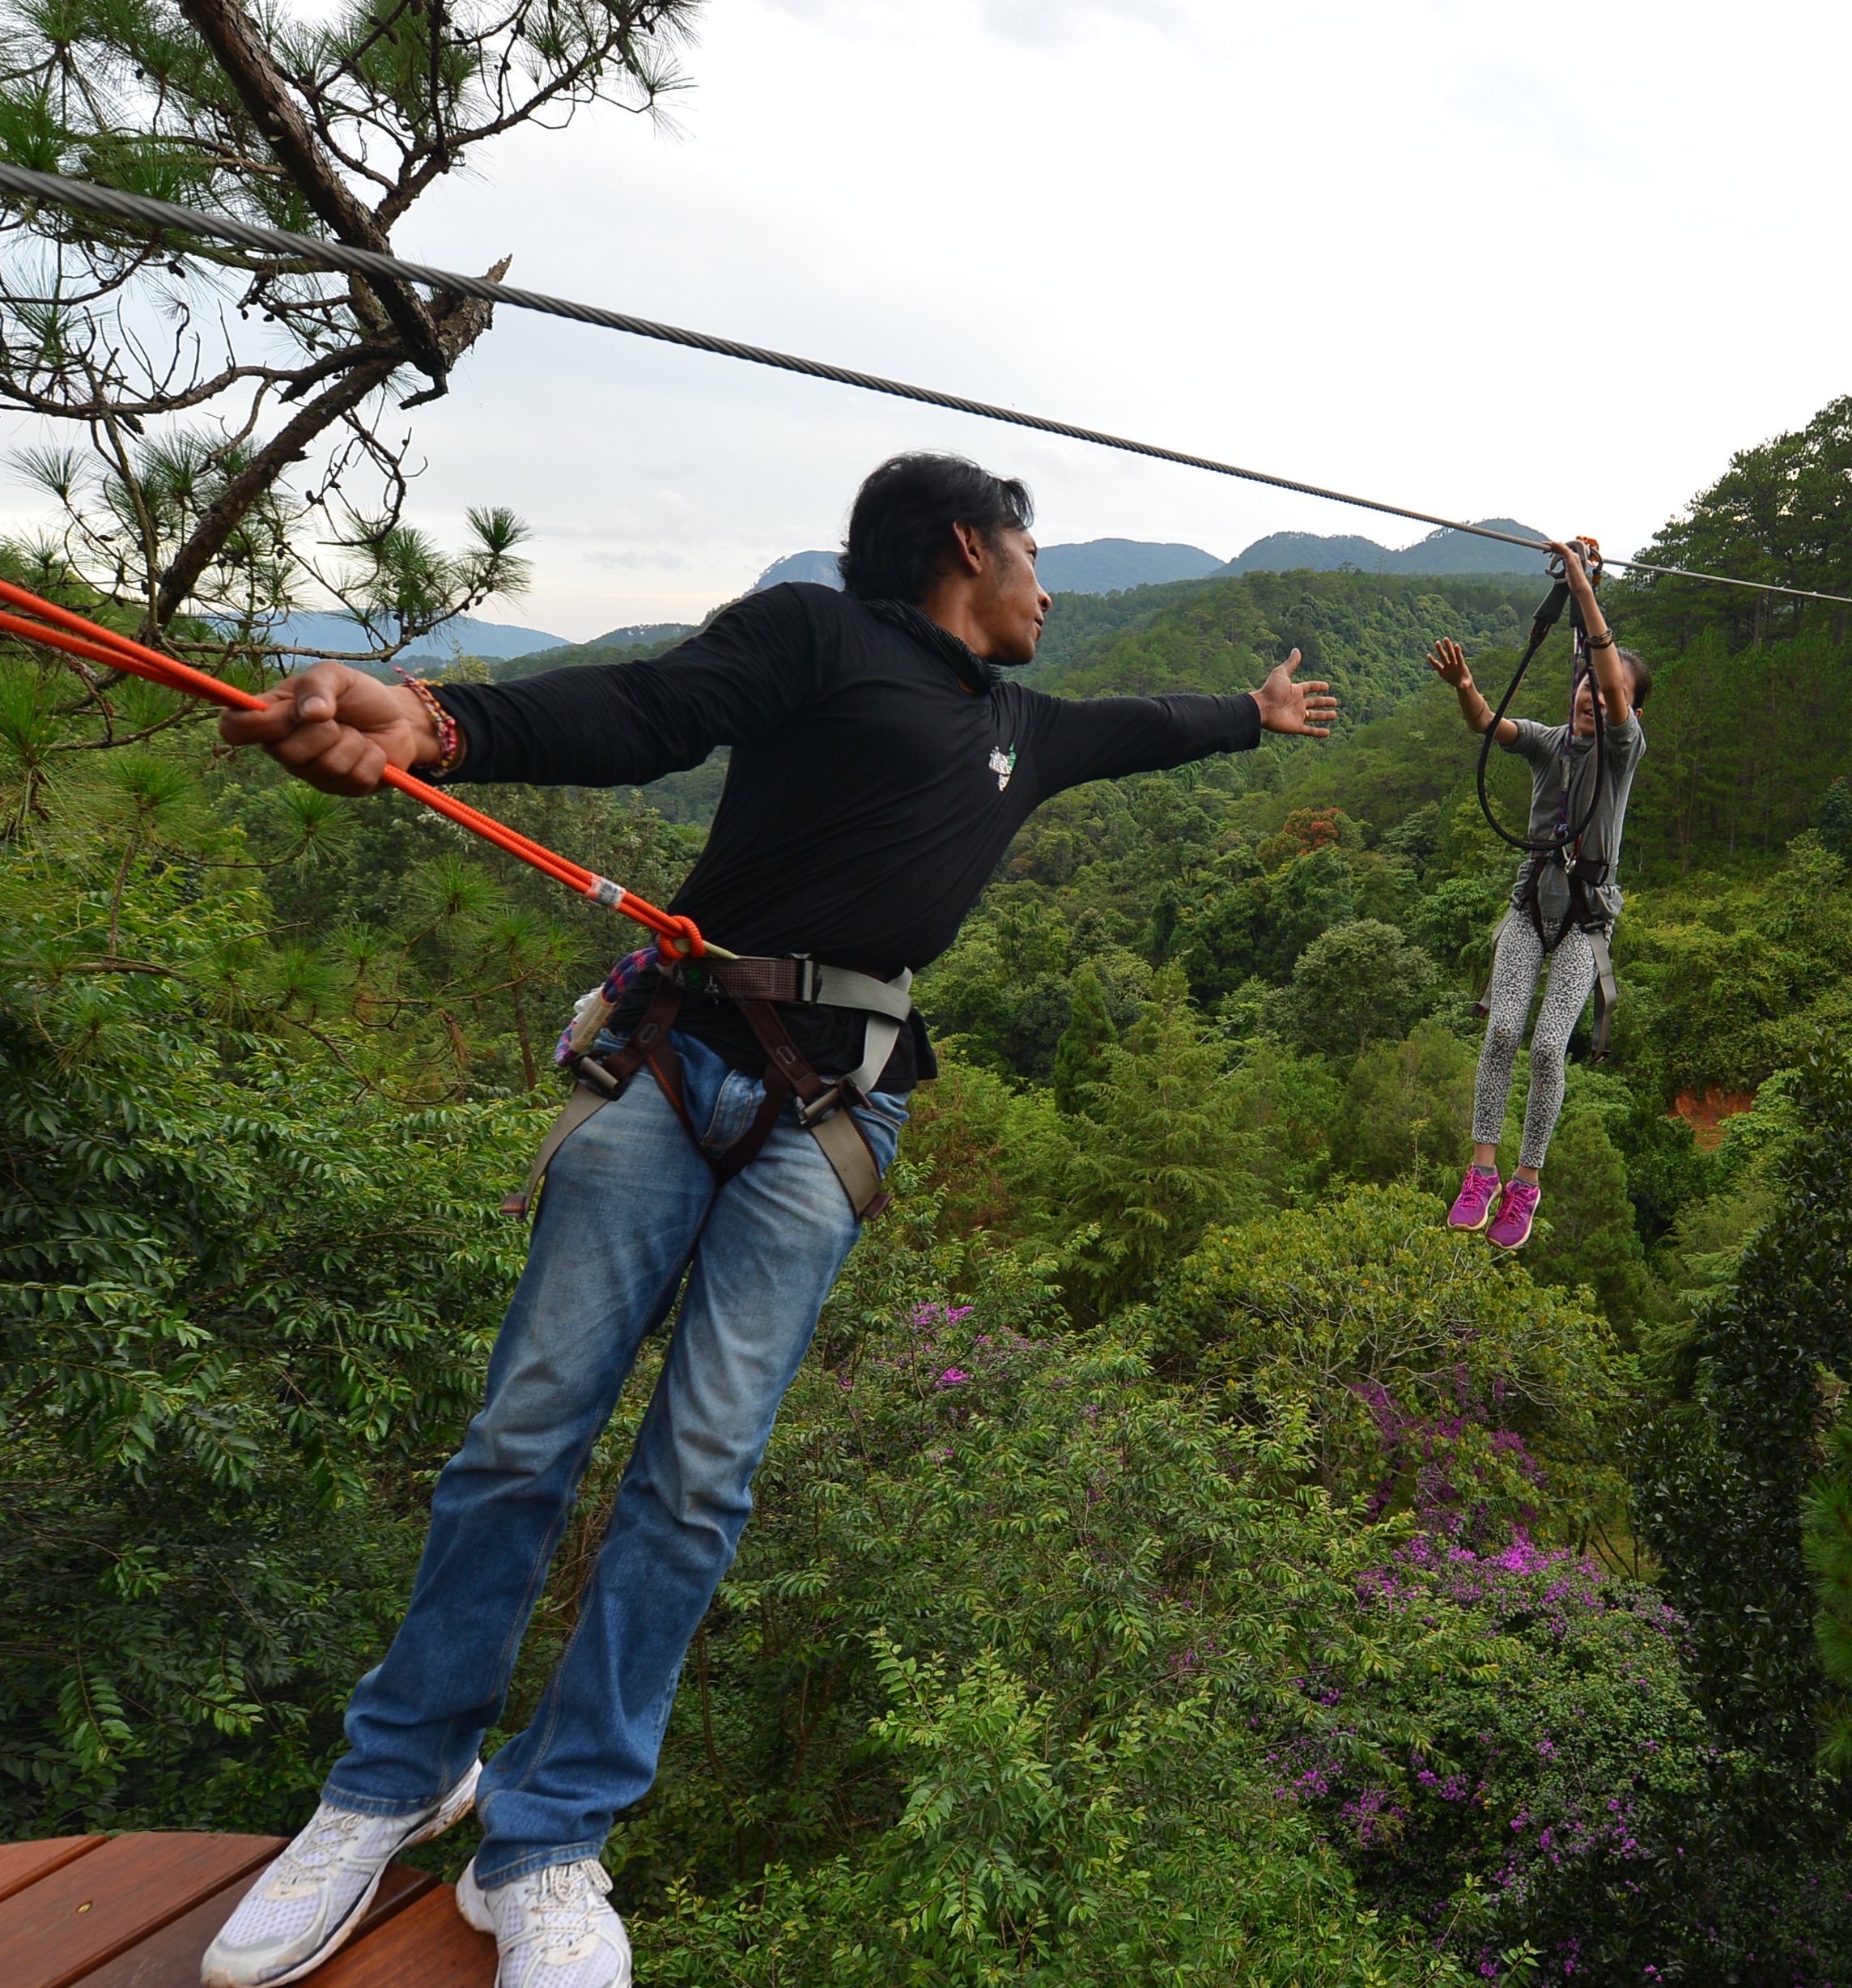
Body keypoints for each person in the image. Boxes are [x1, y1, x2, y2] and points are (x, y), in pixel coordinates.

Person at [196, 454, 1336, 1988]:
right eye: (1031, 554)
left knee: (698, 1479)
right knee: (525, 1432)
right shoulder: (819, 635)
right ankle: (394, 1781)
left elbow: (1154, 730)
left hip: (835, 1112)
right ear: (965, 548)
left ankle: (543, 1841)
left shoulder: (1026, 730)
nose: (1048, 589)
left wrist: (1248, 720)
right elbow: (650, 711)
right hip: (680, 1063)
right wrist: (447, 726)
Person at [1427, 545, 1650, 1252]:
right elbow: (1489, 726)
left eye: (1605, 690)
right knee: (1500, 1033)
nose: (1590, 693)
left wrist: (1583, 587)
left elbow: (1612, 678)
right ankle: (1482, 1171)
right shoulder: (1551, 745)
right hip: (1530, 908)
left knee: (1550, 1048)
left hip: (1585, 922)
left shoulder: (1622, 751)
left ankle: (1526, 1182)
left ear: (1626, 708)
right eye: (1583, 683)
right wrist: (1467, 687)